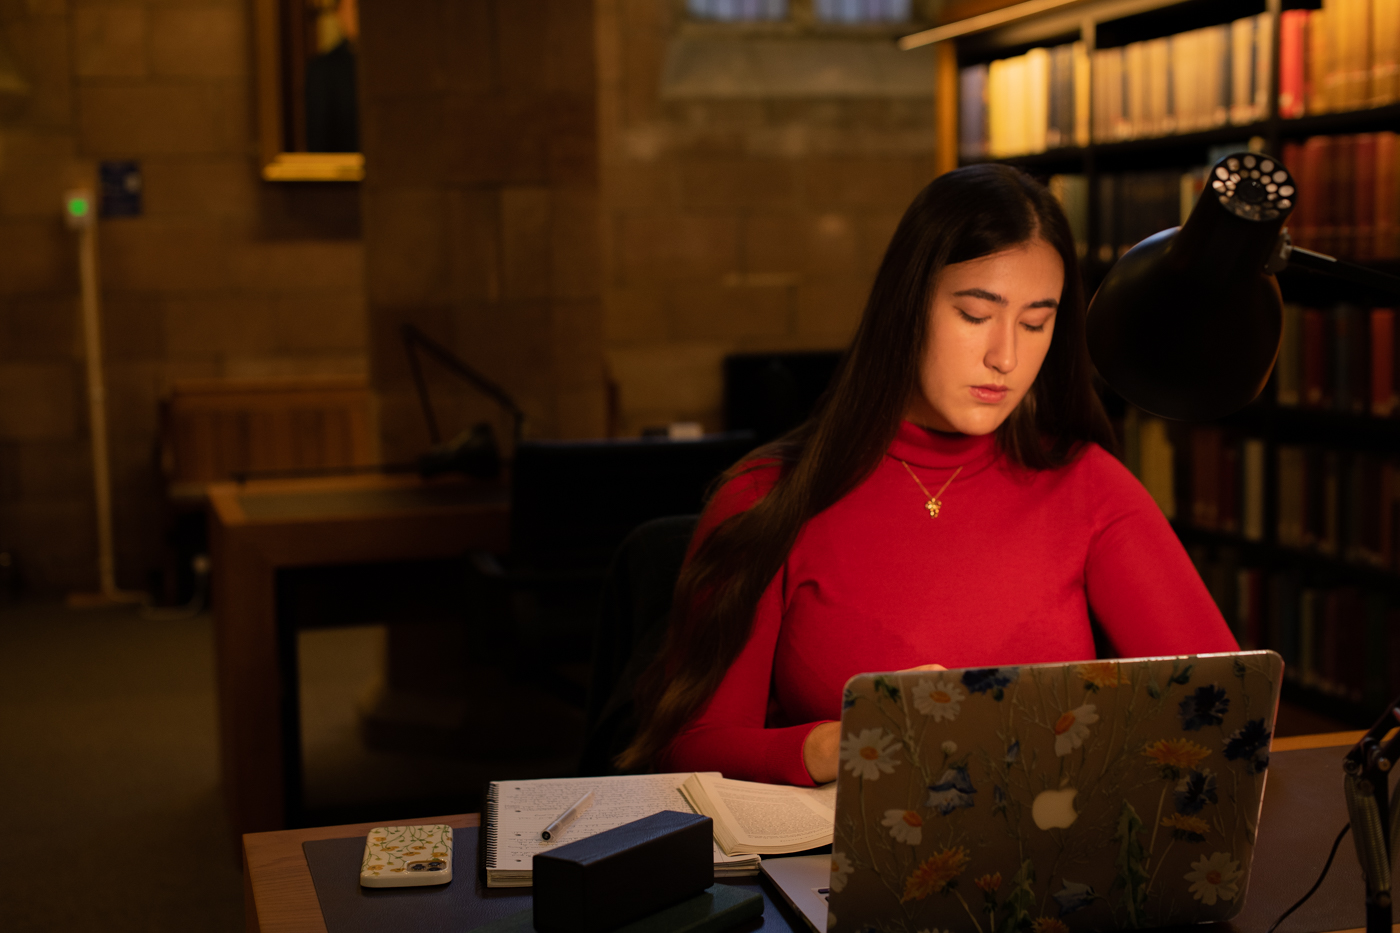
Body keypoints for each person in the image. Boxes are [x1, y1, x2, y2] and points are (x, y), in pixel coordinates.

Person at [616, 164, 1239, 786]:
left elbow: (1229, 709)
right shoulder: (768, 498)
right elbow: (690, 749)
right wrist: (842, 743)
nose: (1006, 357)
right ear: (907, 307)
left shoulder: (1088, 486)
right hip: (832, 868)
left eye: (1035, 323)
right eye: (975, 315)